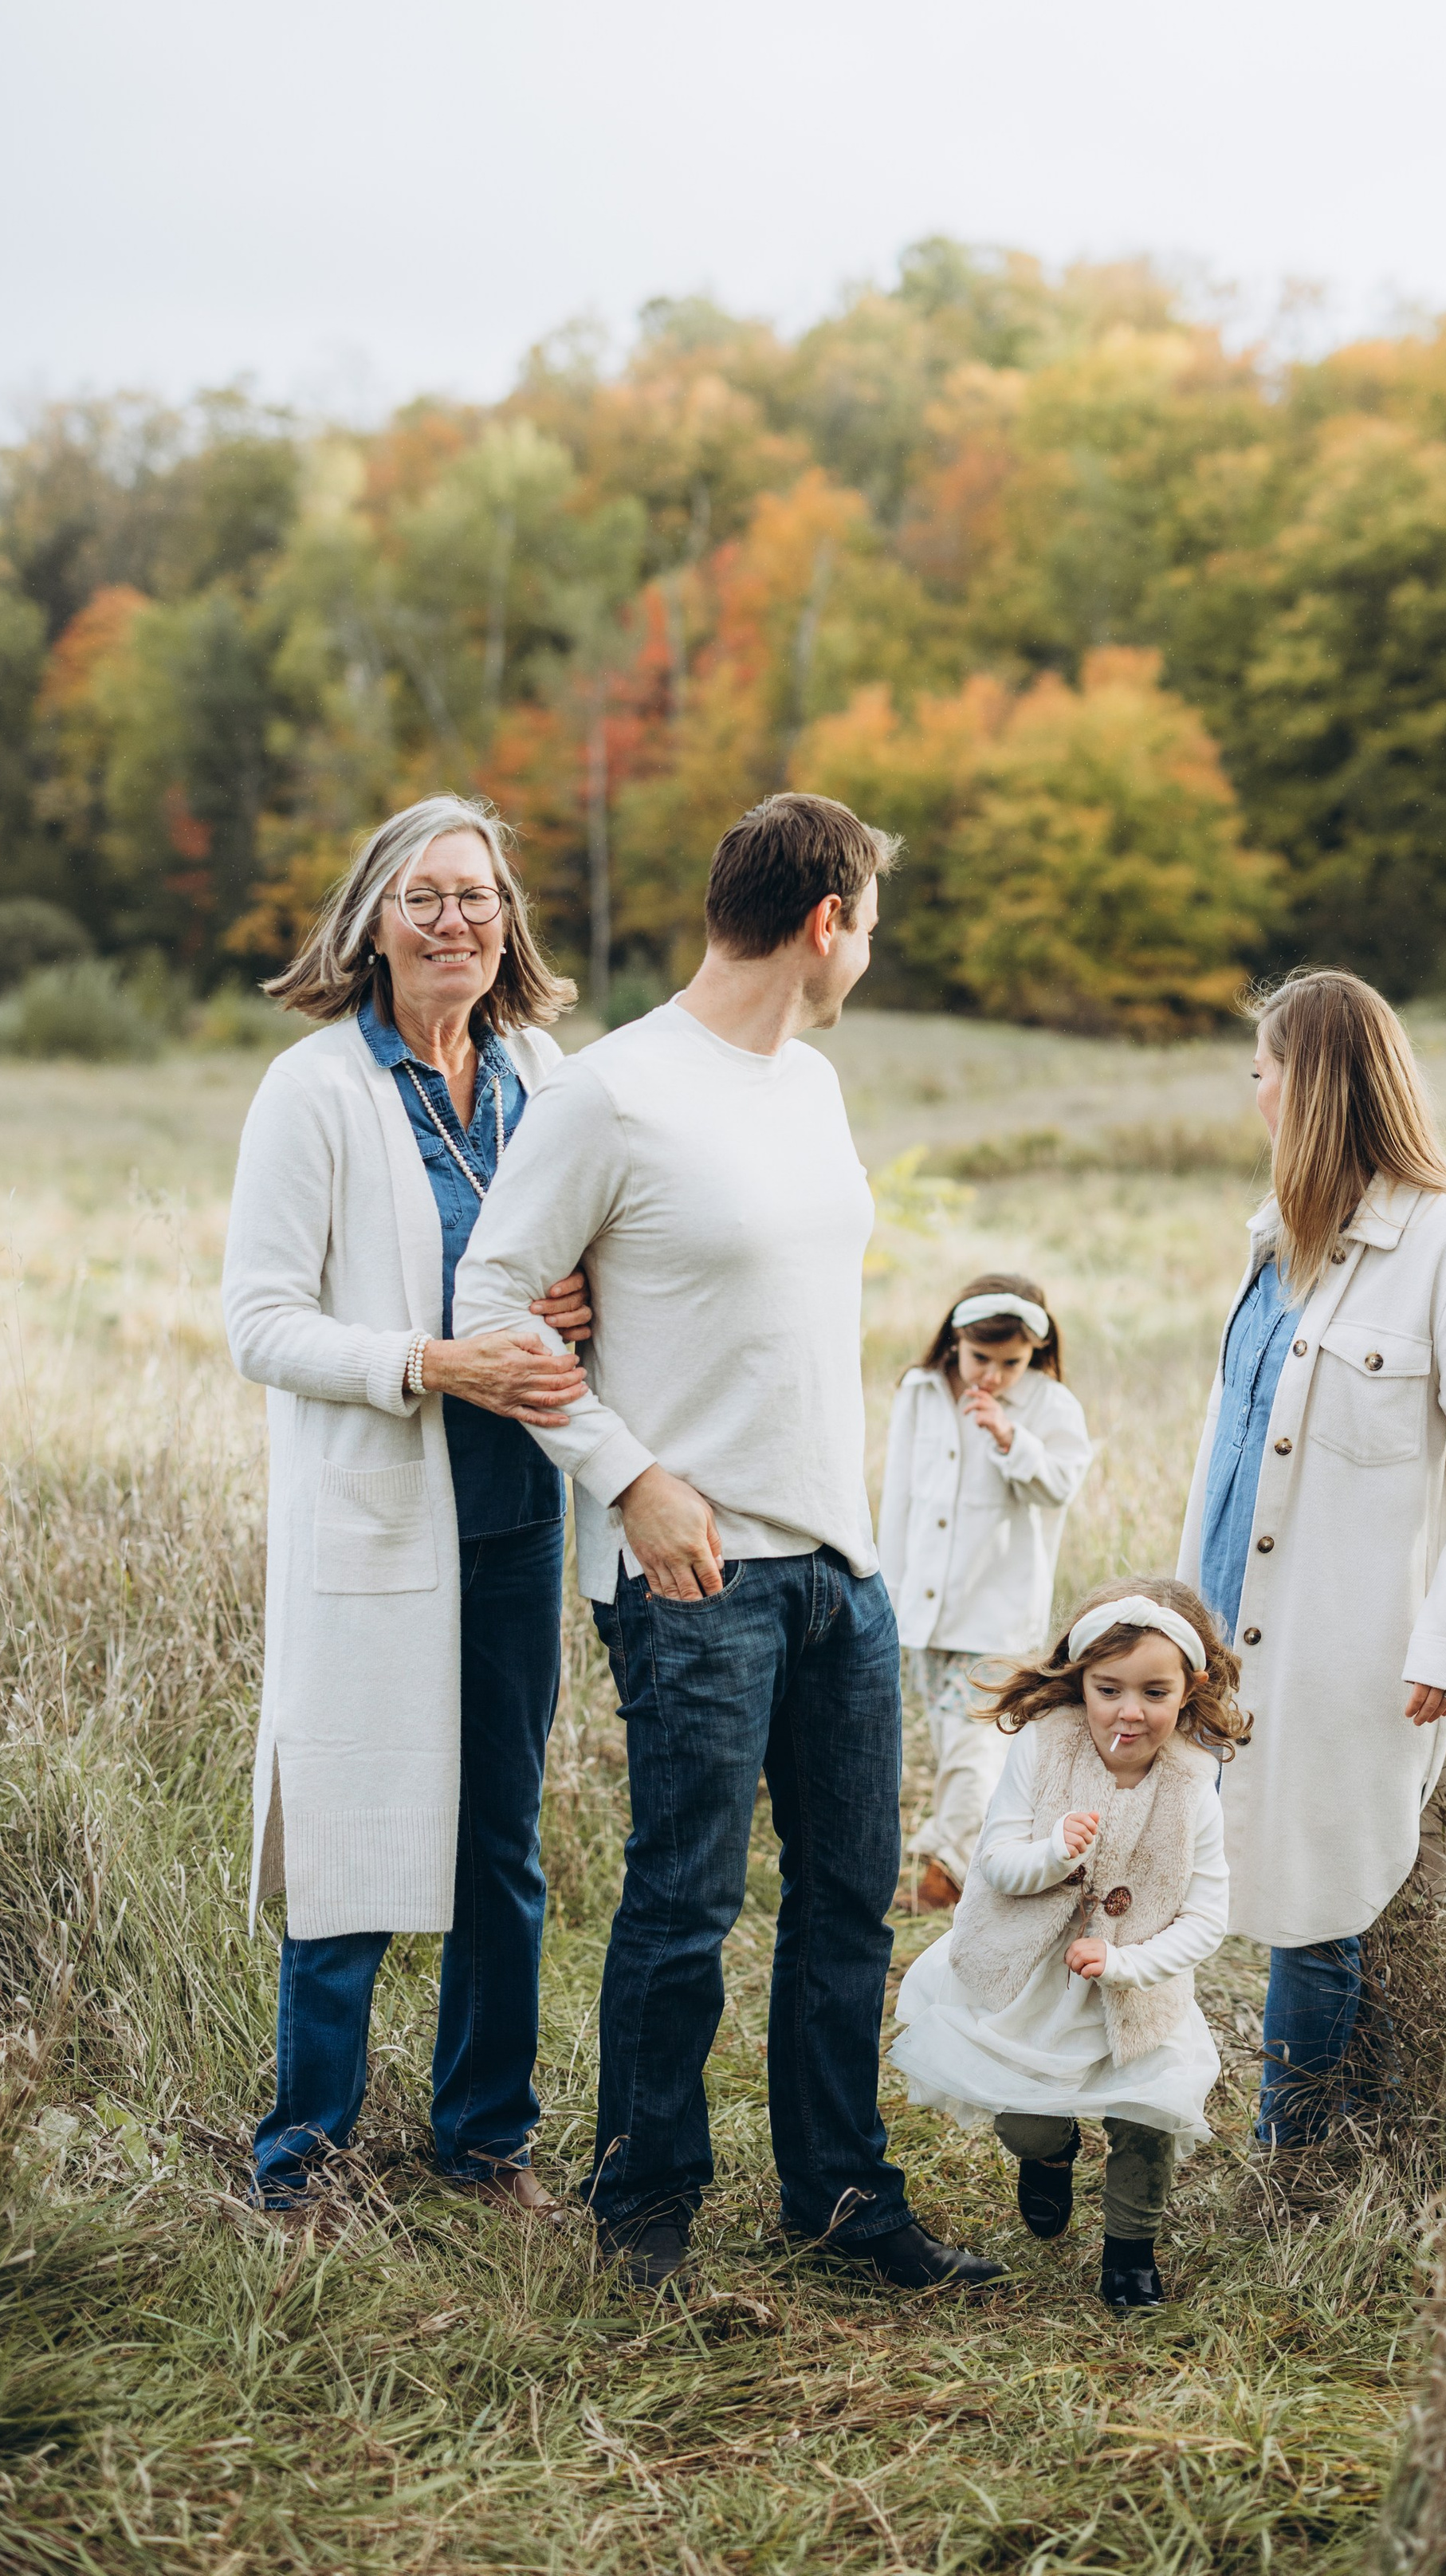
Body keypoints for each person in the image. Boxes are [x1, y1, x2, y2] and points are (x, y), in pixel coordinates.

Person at [451, 791, 1003, 2293]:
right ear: (826, 921)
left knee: (843, 1898)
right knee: (684, 1905)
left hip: (843, 1565)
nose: (867, 954)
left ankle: (839, 2200)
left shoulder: (810, 1089)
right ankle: (644, 2212)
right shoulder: (615, 1095)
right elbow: (488, 1302)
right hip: (691, 1573)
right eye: (869, 926)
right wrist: (628, 1477)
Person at [224, 795, 595, 2216]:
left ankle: (484, 2145)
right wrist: (426, 1363)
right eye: (425, 897)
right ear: (373, 922)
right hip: (380, 1513)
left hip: (517, 1515)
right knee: (354, 1829)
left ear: (510, 922)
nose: (455, 920)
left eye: (479, 896)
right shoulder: (314, 1089)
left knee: (501, 1838)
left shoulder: (542, 1076)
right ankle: (302, 2158)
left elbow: (584, 1256)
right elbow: (260, 1322)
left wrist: (581, 1300)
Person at [1174, 965, 1446, 2148]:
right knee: (1256, 1878)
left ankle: (1303, 2162)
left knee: (1327, 1897)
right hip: (1238, 1629)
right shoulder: (1277, 1245)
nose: (1255, 1094)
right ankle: (1309, 2139)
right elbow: (1231, 1454)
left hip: (1366, 1644)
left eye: (1265, 1071)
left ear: (1315, 1085)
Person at [890, 1579, 1240, 2310]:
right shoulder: (1044, 1750)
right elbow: (995, 1863)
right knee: (1024, 2105)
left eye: (1154, 1691)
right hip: (1034, 1974)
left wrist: (1126, 1963)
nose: (1130, 1711)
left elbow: (1207, 1916)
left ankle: (1130, 2254)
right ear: (1080, 1681)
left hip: (1136, 1982)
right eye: (1109, 1689)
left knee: (1148, 2111)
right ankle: (1047, 2155)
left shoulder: (1191, 1784)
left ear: (1190, 1689)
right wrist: (1053, 1853)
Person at [879, 1273, 1092, 1914]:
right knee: (946, 1730)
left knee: (976, 1737)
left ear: (1035, 1353)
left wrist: (1008, 1437)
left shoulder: (1050, 1406)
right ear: (954, 1341)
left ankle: (953, 1866)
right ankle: (960, 1834)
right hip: (923, 1602)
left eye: (1011, 1363)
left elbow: (1060, 1485)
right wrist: (885, 1585)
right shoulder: (921, 1392)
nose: (993, 1375)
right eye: (981, 1359)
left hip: (993, 1609)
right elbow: (899, 1496)